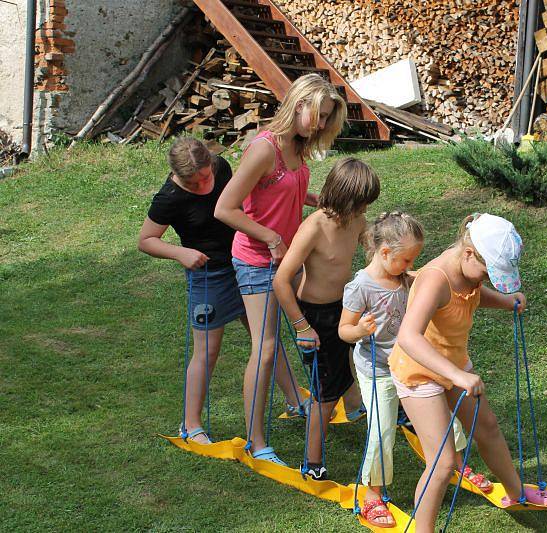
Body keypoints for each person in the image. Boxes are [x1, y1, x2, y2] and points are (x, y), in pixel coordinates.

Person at [389, 213, 547, 533]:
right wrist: (459, 377)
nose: (485, 279)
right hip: (418, 372)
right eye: (486, 271)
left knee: (488, 427)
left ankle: (516, 492)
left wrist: (507, 302)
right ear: (468, 253)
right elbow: (408, 337)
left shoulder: (468, 274)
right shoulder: (436, 279)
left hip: (452, 363)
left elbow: (474, 295)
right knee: (442, 463)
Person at [214, 74, 345, 464]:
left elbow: (282, 188)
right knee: (266, 349)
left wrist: (320, 200)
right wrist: (270, 238)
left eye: (326, 120)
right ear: (299, 104)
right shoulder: (264, 148)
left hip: (287, 260)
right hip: (256, 261)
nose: (320, 125)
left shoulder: (298, 146)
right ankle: (256, 440)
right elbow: (225, 208)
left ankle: (338, 402)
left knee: (316, 332)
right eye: (318, 116)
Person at [338, 212, 493, 528]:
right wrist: (359, 331)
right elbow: (343, 329)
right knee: (382, 430)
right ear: (385, 253)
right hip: (378, 368)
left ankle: (456, 465)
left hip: (412, 366)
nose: (411, 266)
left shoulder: (409, 278)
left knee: (448, 416)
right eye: (406, 259)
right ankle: (373, 494)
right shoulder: (361, 287)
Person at [138, 138, 293, 443]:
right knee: (207, 351)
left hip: (245, 263)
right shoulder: (168, 198)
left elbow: (241, 201)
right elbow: (146, 240)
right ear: (178, 177)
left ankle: (296, 400)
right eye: (194, 183)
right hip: (210, 275)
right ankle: (191, 424)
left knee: (266, 339)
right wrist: (180, 253)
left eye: (206, 177)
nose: (203, 185)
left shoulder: (221, 167)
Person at [273, 157, 381, 481]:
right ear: (346, 199)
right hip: (314, 316)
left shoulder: (357, 221)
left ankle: (355, 407)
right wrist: (301, 326)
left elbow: (370, 252)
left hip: (344, 307)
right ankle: (312, 461)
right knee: (324, 392)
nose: (365, 211)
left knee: (348, 360)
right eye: (361, 205)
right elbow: (281, 281)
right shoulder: (314, 227)